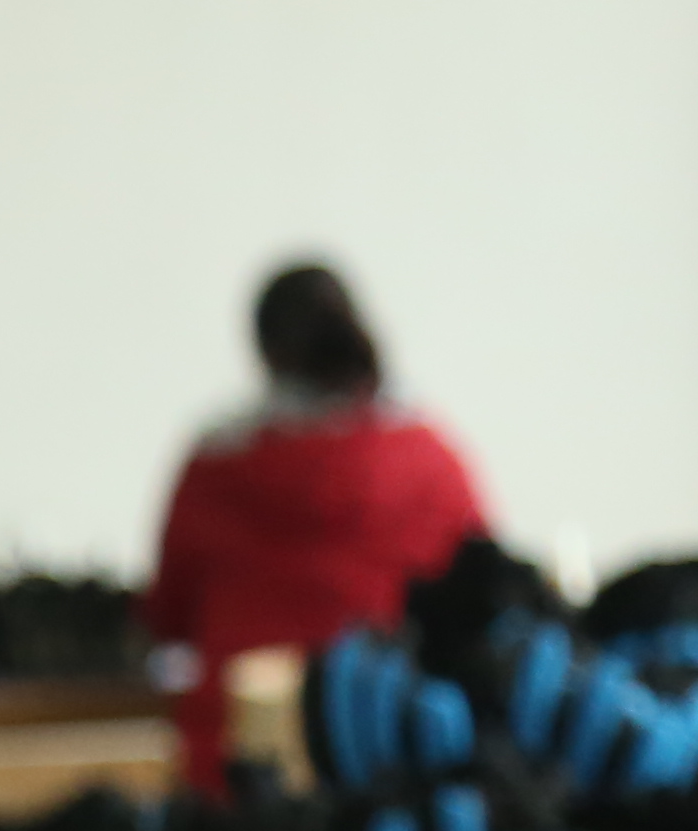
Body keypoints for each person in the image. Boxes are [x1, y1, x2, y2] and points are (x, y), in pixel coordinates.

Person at [139, 260, 491, 787]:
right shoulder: (429, 459)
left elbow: (168, 615)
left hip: (237, 757)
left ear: (264, 351)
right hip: (389, 751)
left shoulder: (215, 465)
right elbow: (486, 594)